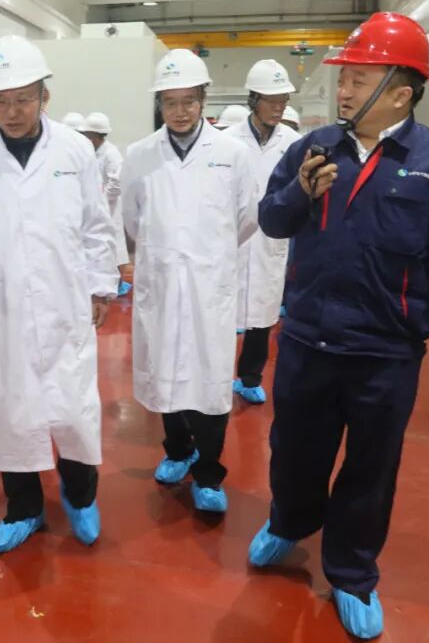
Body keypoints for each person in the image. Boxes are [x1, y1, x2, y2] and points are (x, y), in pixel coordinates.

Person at [248, 13, 429, 639]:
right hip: (307, 339)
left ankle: (352, 573)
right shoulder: (313, 148)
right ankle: (289, 522)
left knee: (371, 469)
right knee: (294, 452)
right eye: (344, 78)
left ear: (401, 92)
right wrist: (299, 193)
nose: (343, 90)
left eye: (358, 79)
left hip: (385, 352)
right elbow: (270, 221)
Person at [0, 35, 119, 553]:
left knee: (73, 412)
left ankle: (80, 496)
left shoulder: (75, 150)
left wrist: (102, 284)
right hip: (3, 307)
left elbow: (96, 225)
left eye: (23, 99)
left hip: (65, 304)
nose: (11, 112)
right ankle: (23, 508)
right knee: (11, 413)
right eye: (1, 101)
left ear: (44, 97)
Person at [121, 49, 258, 514]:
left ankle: (209, 473)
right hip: (160, 284)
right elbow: (131, 219)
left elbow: (247, 217)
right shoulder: (140, 155)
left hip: (208, 285)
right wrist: (167, 253)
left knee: (210, 383)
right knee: (166, 374)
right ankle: (177, 451)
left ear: (203, 99)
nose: (179, 111)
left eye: (188, 100)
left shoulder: (232, 154)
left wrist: (205, 254)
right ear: (159, 104)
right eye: (170, 101)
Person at [225, 59, 302, 405]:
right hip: (231, 240)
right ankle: (216, 375)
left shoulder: (294, 144)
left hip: (271, 240)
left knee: (262, 315)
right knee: (221, 314)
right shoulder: (227, 141)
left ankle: (249, 377)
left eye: (283, 100)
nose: (279, 107)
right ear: (253, 99)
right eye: (272, 100)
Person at [80, 112, 133, 296]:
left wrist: (99, 200)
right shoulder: (92, 152)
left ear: (96, 136)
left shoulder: (111, 154)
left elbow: (116, 184)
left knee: (114, 250)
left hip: (109, 208)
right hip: (98, 208)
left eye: (88, 135)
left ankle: (117, 284)